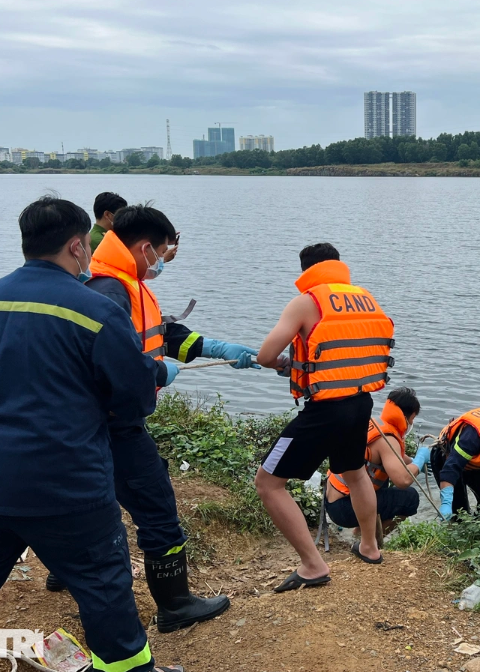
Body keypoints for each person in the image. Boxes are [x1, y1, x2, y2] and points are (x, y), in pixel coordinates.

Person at [0, 197, 182, 672]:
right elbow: (134, 399)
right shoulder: (94, 309)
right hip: (64, 482)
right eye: (87, 251)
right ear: (77, 246)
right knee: (102, 583)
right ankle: (127, 668)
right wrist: (155, 373)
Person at [42, 203, 258, 632]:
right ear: (145, 248)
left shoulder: (121, 282)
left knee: (82, 498)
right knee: (156, 508)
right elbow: (112, 365)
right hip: (113, 422)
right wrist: (155, 372)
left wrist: (216, 348)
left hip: (87, 424)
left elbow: (161, 332)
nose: (164, 262)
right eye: (163, 253)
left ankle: (63, 571)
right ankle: (175, 603)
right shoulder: (111, 291)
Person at [255, 243, 395, 592]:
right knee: (355, 472)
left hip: (324, 410)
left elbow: (266, 354)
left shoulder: (307, 301)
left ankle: (313, 565)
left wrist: (283, 364)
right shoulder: (364, 297)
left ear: (305, 271)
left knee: (268, 483)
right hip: (361, 403)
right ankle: (369, 547)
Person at [324, 387, 429, 541]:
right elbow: (403, 480)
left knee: (382, 478)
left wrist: (414, 461)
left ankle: (357, 534)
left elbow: (395, 457)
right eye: (412, 419)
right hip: (345, 509)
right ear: (408, 416)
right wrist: (420, 461)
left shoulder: (375, 423)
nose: (412, 423)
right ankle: (370, 541)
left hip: (331, 500)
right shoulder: (388, 439)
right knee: (410, 498)